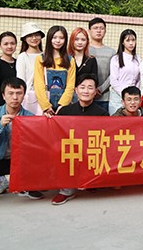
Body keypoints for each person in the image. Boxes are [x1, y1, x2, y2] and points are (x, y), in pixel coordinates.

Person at [51, 73, 110, 205]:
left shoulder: (102, 114)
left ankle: (91, 181)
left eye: (90, 88)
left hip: (91, 152)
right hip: (70, 152)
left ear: (95, 91)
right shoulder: (64, 111)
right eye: (82, 87)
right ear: (76, 90)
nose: (86, 91)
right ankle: (66, 190)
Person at [34, 26, 76, 118]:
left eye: (61, 38)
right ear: (49, 39)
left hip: (64, 106)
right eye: (54, 37)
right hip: (45, 105)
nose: (58, 41)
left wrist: (63, 105)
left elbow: (70, 85)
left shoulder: (70, 60)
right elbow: (38, 84)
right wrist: (46, 106)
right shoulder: (40, 59)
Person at [109, 29, 141, 115]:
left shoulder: (138, 59)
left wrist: (134, 93)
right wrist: (124, 94)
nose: (131, 43)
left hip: (132, 98)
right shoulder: (116, 58)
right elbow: (113, 80)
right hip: (117, 97)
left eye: (133, 40)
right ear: (123, 42)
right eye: (128, 40)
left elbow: (139, 79)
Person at [16, 22, 45, 115]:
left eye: (37, 35)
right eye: (30, 35)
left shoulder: (46, 56)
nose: (34, 38)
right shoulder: (23, 57)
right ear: (24, 38)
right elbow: (20, 81)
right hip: (28, 99)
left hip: (45, 98)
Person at [88, 17, 116, 112]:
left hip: (104, 98)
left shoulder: (111, 52)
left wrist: (100, 89)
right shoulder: (84, 49)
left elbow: (113, 74)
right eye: (95, 28)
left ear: (105, 31)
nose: (99, 31)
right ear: (89, 31)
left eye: (101, 28)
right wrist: (90, 89)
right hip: (85, 96)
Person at [68, 28, 98, 100]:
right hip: (67, 95)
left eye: (83, 40)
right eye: (76, 39)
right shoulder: (66, 59)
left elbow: (94, 80)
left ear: (87, 41)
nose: (80, 42)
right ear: (72, 40)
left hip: (85, 96)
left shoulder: (91, 60)